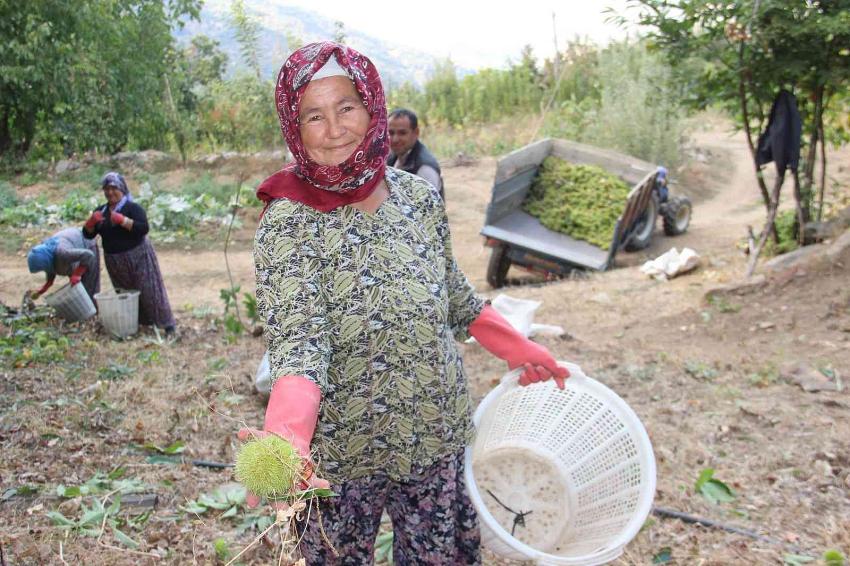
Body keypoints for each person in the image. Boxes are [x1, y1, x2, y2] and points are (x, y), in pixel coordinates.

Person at [242, 41, 569, 565]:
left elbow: (455, 296)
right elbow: (299, 344)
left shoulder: (416, 197)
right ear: (292, 126)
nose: (334, 129)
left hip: (433, 431)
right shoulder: (289, 223)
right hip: (342, 450)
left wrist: (520, 348)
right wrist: (286, 443)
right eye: (313, 116)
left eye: (346, 106)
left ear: (372, 106)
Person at [82, 172, 176, 334]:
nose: (110, 192)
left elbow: (143, 228)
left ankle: (166, 325)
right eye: (106, 189)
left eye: (114, 188)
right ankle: (140, 323)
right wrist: (90, 224)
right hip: (115, 261)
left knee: (149, 290)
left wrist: (123, 221)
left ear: (122, 189)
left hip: (138, 256)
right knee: (127, 294)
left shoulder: (133, 208)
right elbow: (89, 235)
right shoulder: (101, 211)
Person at [27, 227, 100, 302]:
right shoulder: (47, 255)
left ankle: (95, 310)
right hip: (72, 249)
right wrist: (45, 286)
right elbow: (51, 268)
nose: (44, 270)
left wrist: (77, 274)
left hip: (87, 244)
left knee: (89, 287)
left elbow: (88, 255)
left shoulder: (63, 253)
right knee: (78, 288)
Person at [387, 108, 445, 200]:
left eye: (402, 133)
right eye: (391, 133)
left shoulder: (425, 169)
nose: (395, 139)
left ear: (416, 133)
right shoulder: (392, 156)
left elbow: (429, 211)